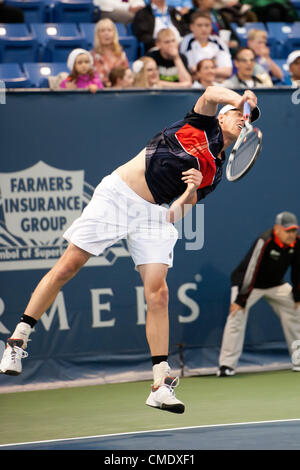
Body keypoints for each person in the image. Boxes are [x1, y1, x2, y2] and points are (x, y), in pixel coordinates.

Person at [0, 85, 259, 414]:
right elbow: (210, 92)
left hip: (155, 214)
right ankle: (17, 340)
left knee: (159, 295)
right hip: (118, 196)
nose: (241, 119)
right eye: (236, 115)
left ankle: (160, 384)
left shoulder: (216, 172)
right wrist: (240, 99)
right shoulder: (201, 122)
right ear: (222, 116)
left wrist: (191, 189)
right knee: (68, 266)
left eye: (245, 118)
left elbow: (176, 213)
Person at [217, 212, 300, 377]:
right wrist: (241, 300)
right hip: (247, 284)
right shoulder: (266, 240)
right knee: (236, 316)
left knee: (296, 310)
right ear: (277, 229)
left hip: (275, 284)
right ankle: (227, 365)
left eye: (293, 231)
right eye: (287, 231)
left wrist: (297, 296)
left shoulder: (296, 243)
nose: (291, 235)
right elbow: (251, 270)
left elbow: (298, 270)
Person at [180, 11, 232, 80]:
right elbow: (191, 70)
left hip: (219, 84)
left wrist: (204, 72)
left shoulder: (218, 42)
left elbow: (228, 71)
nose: (203, 29)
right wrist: (214, 73)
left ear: (211, 27)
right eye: (199, 25)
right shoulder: (187, 41)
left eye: (207, 25)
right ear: (191, 27)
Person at [90, 18, 130, 87]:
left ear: (114, 33)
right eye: (102, 31)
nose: (106, 33)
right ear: (97, 35)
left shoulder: (121, 55)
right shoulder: (92, 56)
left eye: (109, 30)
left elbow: (128, 76)